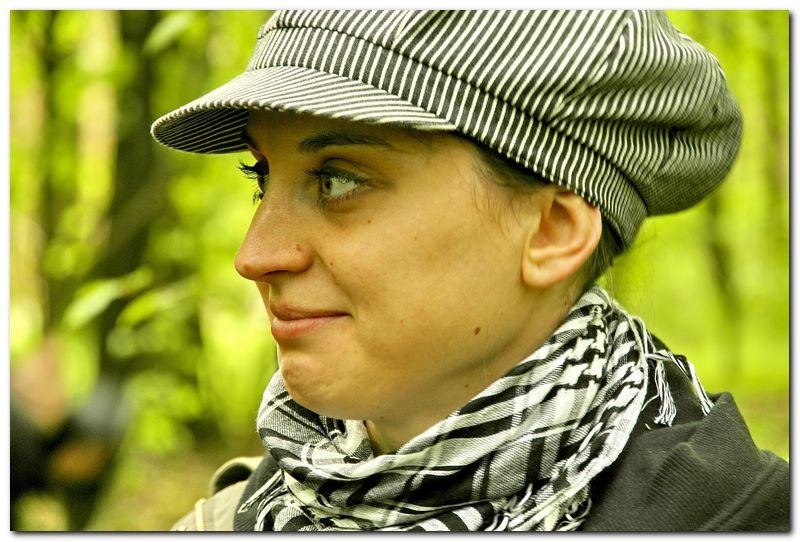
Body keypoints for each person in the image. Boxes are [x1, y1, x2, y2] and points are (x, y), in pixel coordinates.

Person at [150, 10, 788, 531]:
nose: (254, 256)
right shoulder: (230, 519)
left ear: (551, 232)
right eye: (260, 176)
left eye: (338, 180)